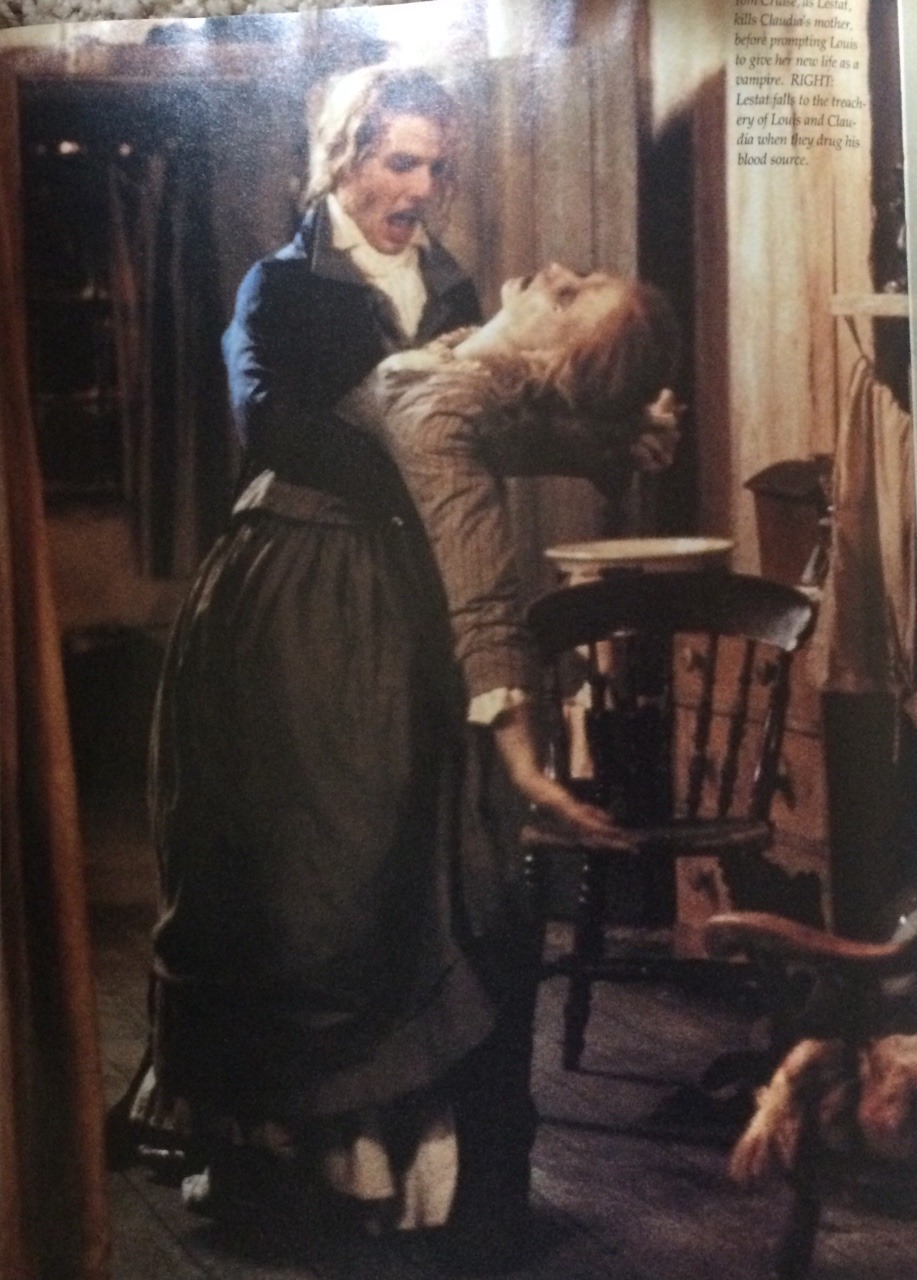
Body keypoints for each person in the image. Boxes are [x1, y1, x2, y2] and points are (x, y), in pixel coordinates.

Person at [140, 259, 680, 1265]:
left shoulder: (447, 407)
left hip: (322, 618)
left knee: (340, 879)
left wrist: (522, 763)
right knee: (294, 879)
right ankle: (287, 1167)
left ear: (551, 354)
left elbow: (480, 590)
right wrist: (611, 440)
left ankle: (340, 1179)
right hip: (289, 610)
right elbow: (507, 426)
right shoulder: (464, 375)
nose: (554, 272)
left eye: (571, 296)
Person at [222, 63, 482, 487]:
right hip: (316, 524)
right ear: (344, 161)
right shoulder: (278, 284)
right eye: (402, 164)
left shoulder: (453, 288)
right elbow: (269, 429)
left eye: (436, 168)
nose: (424, 189)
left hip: (430, 523)